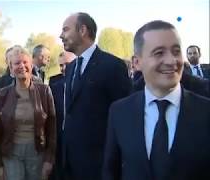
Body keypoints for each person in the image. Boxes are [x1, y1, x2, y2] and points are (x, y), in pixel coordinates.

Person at [103, 20, 210, 180]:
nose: (171, 61)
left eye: (176, 51)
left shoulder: (205, 111)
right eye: (159, 53)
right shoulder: (119, 112)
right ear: (136, 62)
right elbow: (111, 171)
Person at [59, 12, 131, 180]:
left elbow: (124, 118)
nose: (61, 35)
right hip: (70, 162)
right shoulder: (70, 68)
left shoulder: (113, 66)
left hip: (99, 165)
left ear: (82, 30)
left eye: (65, 30)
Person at [0, 46, 56, 180]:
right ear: (11, 68)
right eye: (17, 63)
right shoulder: (2, 94)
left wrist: (49, 160)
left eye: (25, 62)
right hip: (11, 153)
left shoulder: (44, 91)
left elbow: (52, 129)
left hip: (37, 152)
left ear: (31, 65)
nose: (22, 66)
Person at [0, 45, 42, 116]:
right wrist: (4, 111)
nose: (21, 65)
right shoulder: (0, 82)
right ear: (7, 62)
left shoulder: (37, 82)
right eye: (11, 58)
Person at [48, 51, 75, 180]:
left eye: (67, 64)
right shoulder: (54, 82)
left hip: (77, 138)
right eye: (61, 65)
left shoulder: (85, 81)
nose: (63, 68)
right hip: (57, 134)